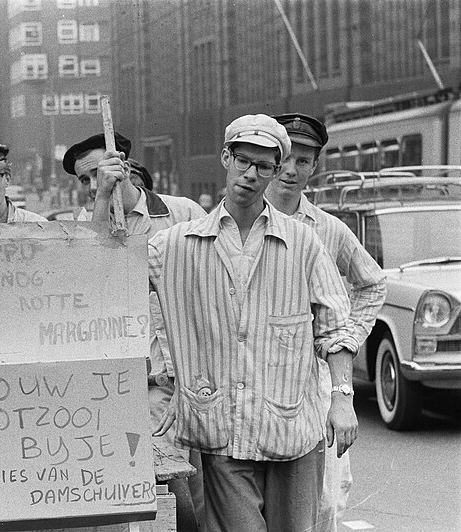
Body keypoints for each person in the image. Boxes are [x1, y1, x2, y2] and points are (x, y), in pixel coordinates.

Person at [151, 114, 359, 531]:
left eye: (264, 166)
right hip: (222, 432)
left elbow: (335, 327)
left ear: (275, 170)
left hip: (293, 432)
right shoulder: (177, 244)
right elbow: (108, 282)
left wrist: (342, 398)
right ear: (226, 158)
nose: (251, 174)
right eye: (243, 161)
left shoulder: (302, 242)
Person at [63, 132, 207, 530]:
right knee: (167, 494)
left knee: (209, 489)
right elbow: (81, 288)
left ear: (122, 164)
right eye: (84, 180)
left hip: (196, 376)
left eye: (97, 173)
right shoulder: (86, 223)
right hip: (137, 385)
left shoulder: (182, 213)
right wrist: (99, 204)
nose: (93, 185)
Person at [267, 113, 386, 532]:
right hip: (253, 377)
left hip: (315, 379)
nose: (291, 170)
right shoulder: (240, 220)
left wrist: (348, 338)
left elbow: (372, 284)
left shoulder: (329, 230)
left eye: (304, 160)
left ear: (315, 166)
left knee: (326, 502)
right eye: (285, 158)